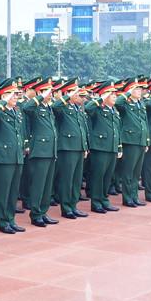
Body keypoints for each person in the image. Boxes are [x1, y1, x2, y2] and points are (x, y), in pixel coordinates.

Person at [0, 79, 27, 233]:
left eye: (16, 94)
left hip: (17, 156)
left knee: (13, 191)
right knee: (3, 191)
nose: (16, 97)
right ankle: (2, 222)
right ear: (4, 96)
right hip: (4, 157)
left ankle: (10, 219)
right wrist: (3, 102)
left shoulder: (16, 111)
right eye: (12, 94)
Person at [22, 78, 58, 227]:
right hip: (40, 150)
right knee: (38, 184)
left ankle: (43, 211)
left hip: (50, 150)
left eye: (51, 91)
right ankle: (36, 214)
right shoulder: (35, 106)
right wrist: (41, 97)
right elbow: (27, 108)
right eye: (46, 91)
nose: (50, 94)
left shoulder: (48, 107)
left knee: (47, 185)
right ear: (39, 92)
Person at [52, 80, 90, 220]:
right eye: (76, 94)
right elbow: (55, 106)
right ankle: (66, 207)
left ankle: (73, 205)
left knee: (76, 179)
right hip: (67, 148)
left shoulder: (77, 108)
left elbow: (82, 129)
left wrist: (84, 146)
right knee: (67, 179)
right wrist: (67, 97)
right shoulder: (63, 107)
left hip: (78, 147)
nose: (80, 97)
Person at [85, 82, 122, 215]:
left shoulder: (114, 110)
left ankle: (104, 200)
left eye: (114, 94)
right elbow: (88, 108)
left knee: (107, 176)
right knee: (98, 176)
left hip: (111, 147)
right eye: (111, 94)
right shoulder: (98, 108)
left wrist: (119, 146)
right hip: (100, 148)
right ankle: (96, 202)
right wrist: (101, 98)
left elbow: (117, 130)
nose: (114, 96)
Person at [115, 77, 149, 207]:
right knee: (128, 172)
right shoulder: (126, 104)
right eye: (137, 89)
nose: (140, 91)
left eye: (140, 89)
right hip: (130, 141)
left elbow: (144, 123)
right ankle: (127, 198)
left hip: (140, 141)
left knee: (136, 172)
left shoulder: (140, 104)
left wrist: (146, 140)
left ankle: (134, 196)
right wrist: (128, 92)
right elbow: (118, 102)